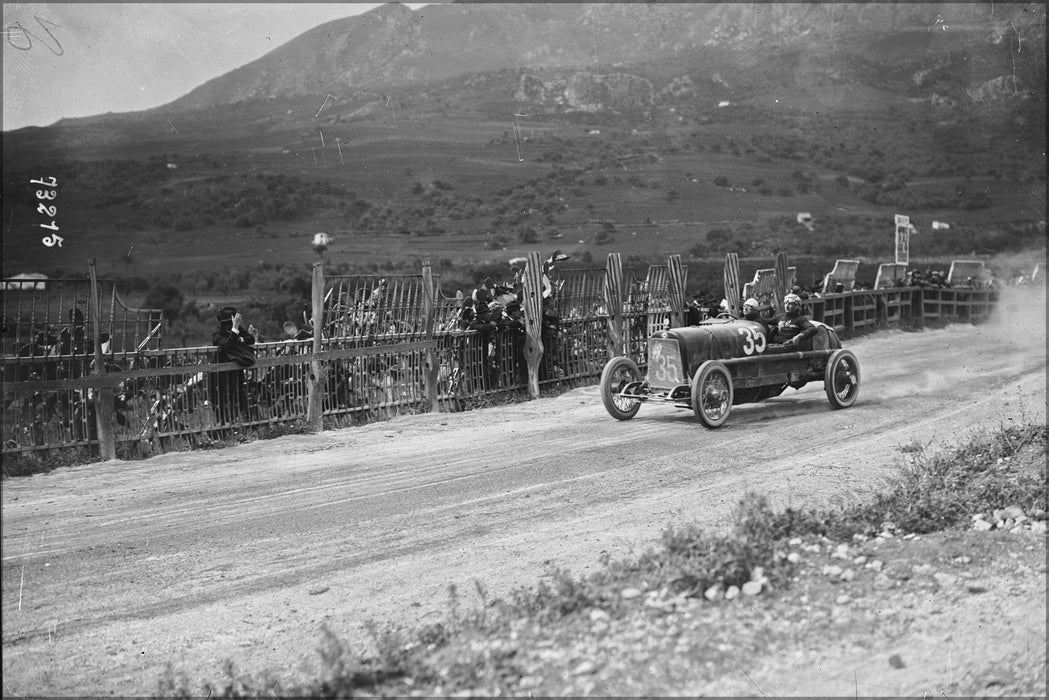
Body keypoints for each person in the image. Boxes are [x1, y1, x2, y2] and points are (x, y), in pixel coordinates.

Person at [208, 306, 256, 423]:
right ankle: (222, 425)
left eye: (232, 323)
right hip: (220, 372)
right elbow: (227, 344)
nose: (229, 325)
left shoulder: (238, 328)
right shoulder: (217, 332)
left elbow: (250, 339)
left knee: (239, 394)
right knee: (221, 399)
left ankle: (242, 421)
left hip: (235, 369)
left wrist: (240, 339)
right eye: (227, 323)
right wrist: (234, 330)